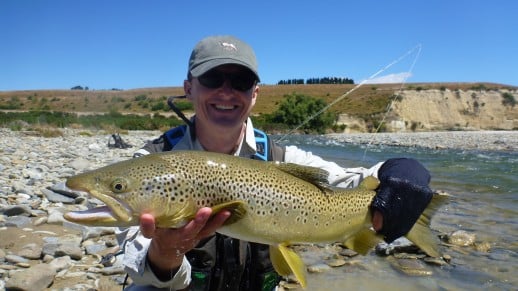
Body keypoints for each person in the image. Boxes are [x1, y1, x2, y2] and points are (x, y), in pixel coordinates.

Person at [116, 35, 434, 290]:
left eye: (239, 82)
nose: (226, 92)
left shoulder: (283, 158)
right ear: (188, 87)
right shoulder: (152, 166)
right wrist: (166, 253)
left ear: (254, 94)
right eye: (213, 78)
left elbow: (351, 182)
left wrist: (398, 173)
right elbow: (138, 266)